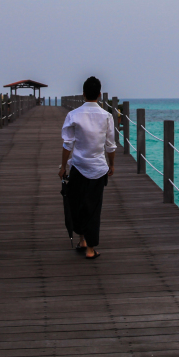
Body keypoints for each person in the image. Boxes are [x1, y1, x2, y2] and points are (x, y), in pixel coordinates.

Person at [58, 76, 115, 259]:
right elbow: (110, 145)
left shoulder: (73, 115)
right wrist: (111, 164)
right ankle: (90, 248)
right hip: (98, 168)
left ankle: (82, 239)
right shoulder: (107, 116)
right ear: (99, 94)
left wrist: (63, 167)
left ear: (83, 94)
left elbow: (68, 144)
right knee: (93, 207)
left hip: (78, 165)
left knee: (78, 203)